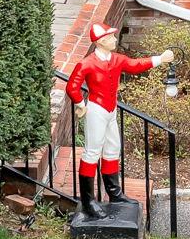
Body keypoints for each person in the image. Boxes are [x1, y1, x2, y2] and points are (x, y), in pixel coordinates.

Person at [66, 23, 174, 219]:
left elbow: (135, 65)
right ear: (101, 41)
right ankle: (89, 201)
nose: (115, 40)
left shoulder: (116, 59)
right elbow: (73, 86)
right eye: (111, 37)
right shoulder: (87, 63)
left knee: (112, 148)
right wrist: (80, 104)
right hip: (97, 109)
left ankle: (114, 193)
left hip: (111, 109)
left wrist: (160, 59)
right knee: (92, 151)